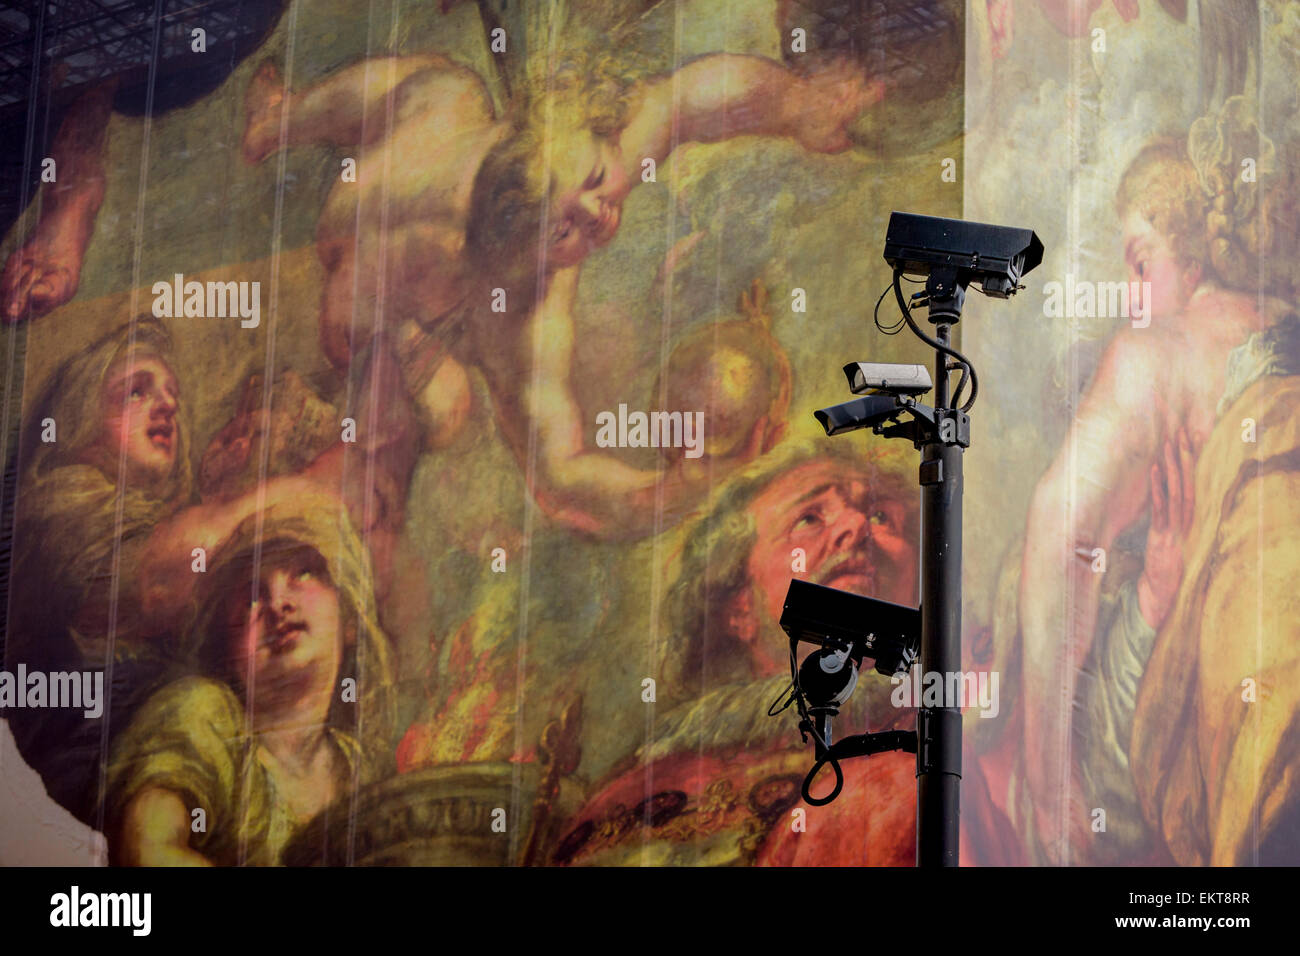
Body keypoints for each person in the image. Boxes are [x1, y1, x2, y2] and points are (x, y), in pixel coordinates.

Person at [239, 48, 877, 537]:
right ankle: (282, 121)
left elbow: (689, 98)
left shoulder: (555, 143)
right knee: (442, 404)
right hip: (350, 291)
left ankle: (279, 120)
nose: (600, 213)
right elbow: (560, 479)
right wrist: (685, 486)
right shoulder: (520, 304)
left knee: (449, 85)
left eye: (597, 179)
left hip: (397, 167)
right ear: (521, 253)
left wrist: (797, 105)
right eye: (563, 229)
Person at [1017, 100, 1298, 862]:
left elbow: (1056, 528)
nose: (1132, 297)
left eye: (1139, 262)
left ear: (1195, 257)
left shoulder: (1158, 355)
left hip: (1257, 711)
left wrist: (1046, 777)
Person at [549, 439, 921, 866]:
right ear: (738, 605)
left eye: (882, 516)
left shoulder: (951, 741)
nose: (857, 525)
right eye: (809, 517)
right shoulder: (645, 791)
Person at [106, 504, 396, 866]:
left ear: (349, 617)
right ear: (228, 649)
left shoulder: (361, 769)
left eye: (303, 574)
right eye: (252, 597)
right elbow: (147, 851)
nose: (278, 604)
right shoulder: (205, 716)